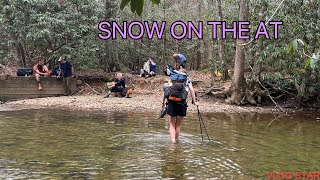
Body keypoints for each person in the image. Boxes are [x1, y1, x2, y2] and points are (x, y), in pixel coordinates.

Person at [162, 53, 198, 143]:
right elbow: (192, 91)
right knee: (178, 125)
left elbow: (166, 90)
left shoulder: (172, 77)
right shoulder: (187, 79)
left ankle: (173, 141)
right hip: (182, 103)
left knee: (171, 124)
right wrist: (195, 102)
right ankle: (176, 141)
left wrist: (163, 102)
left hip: (171, 102)